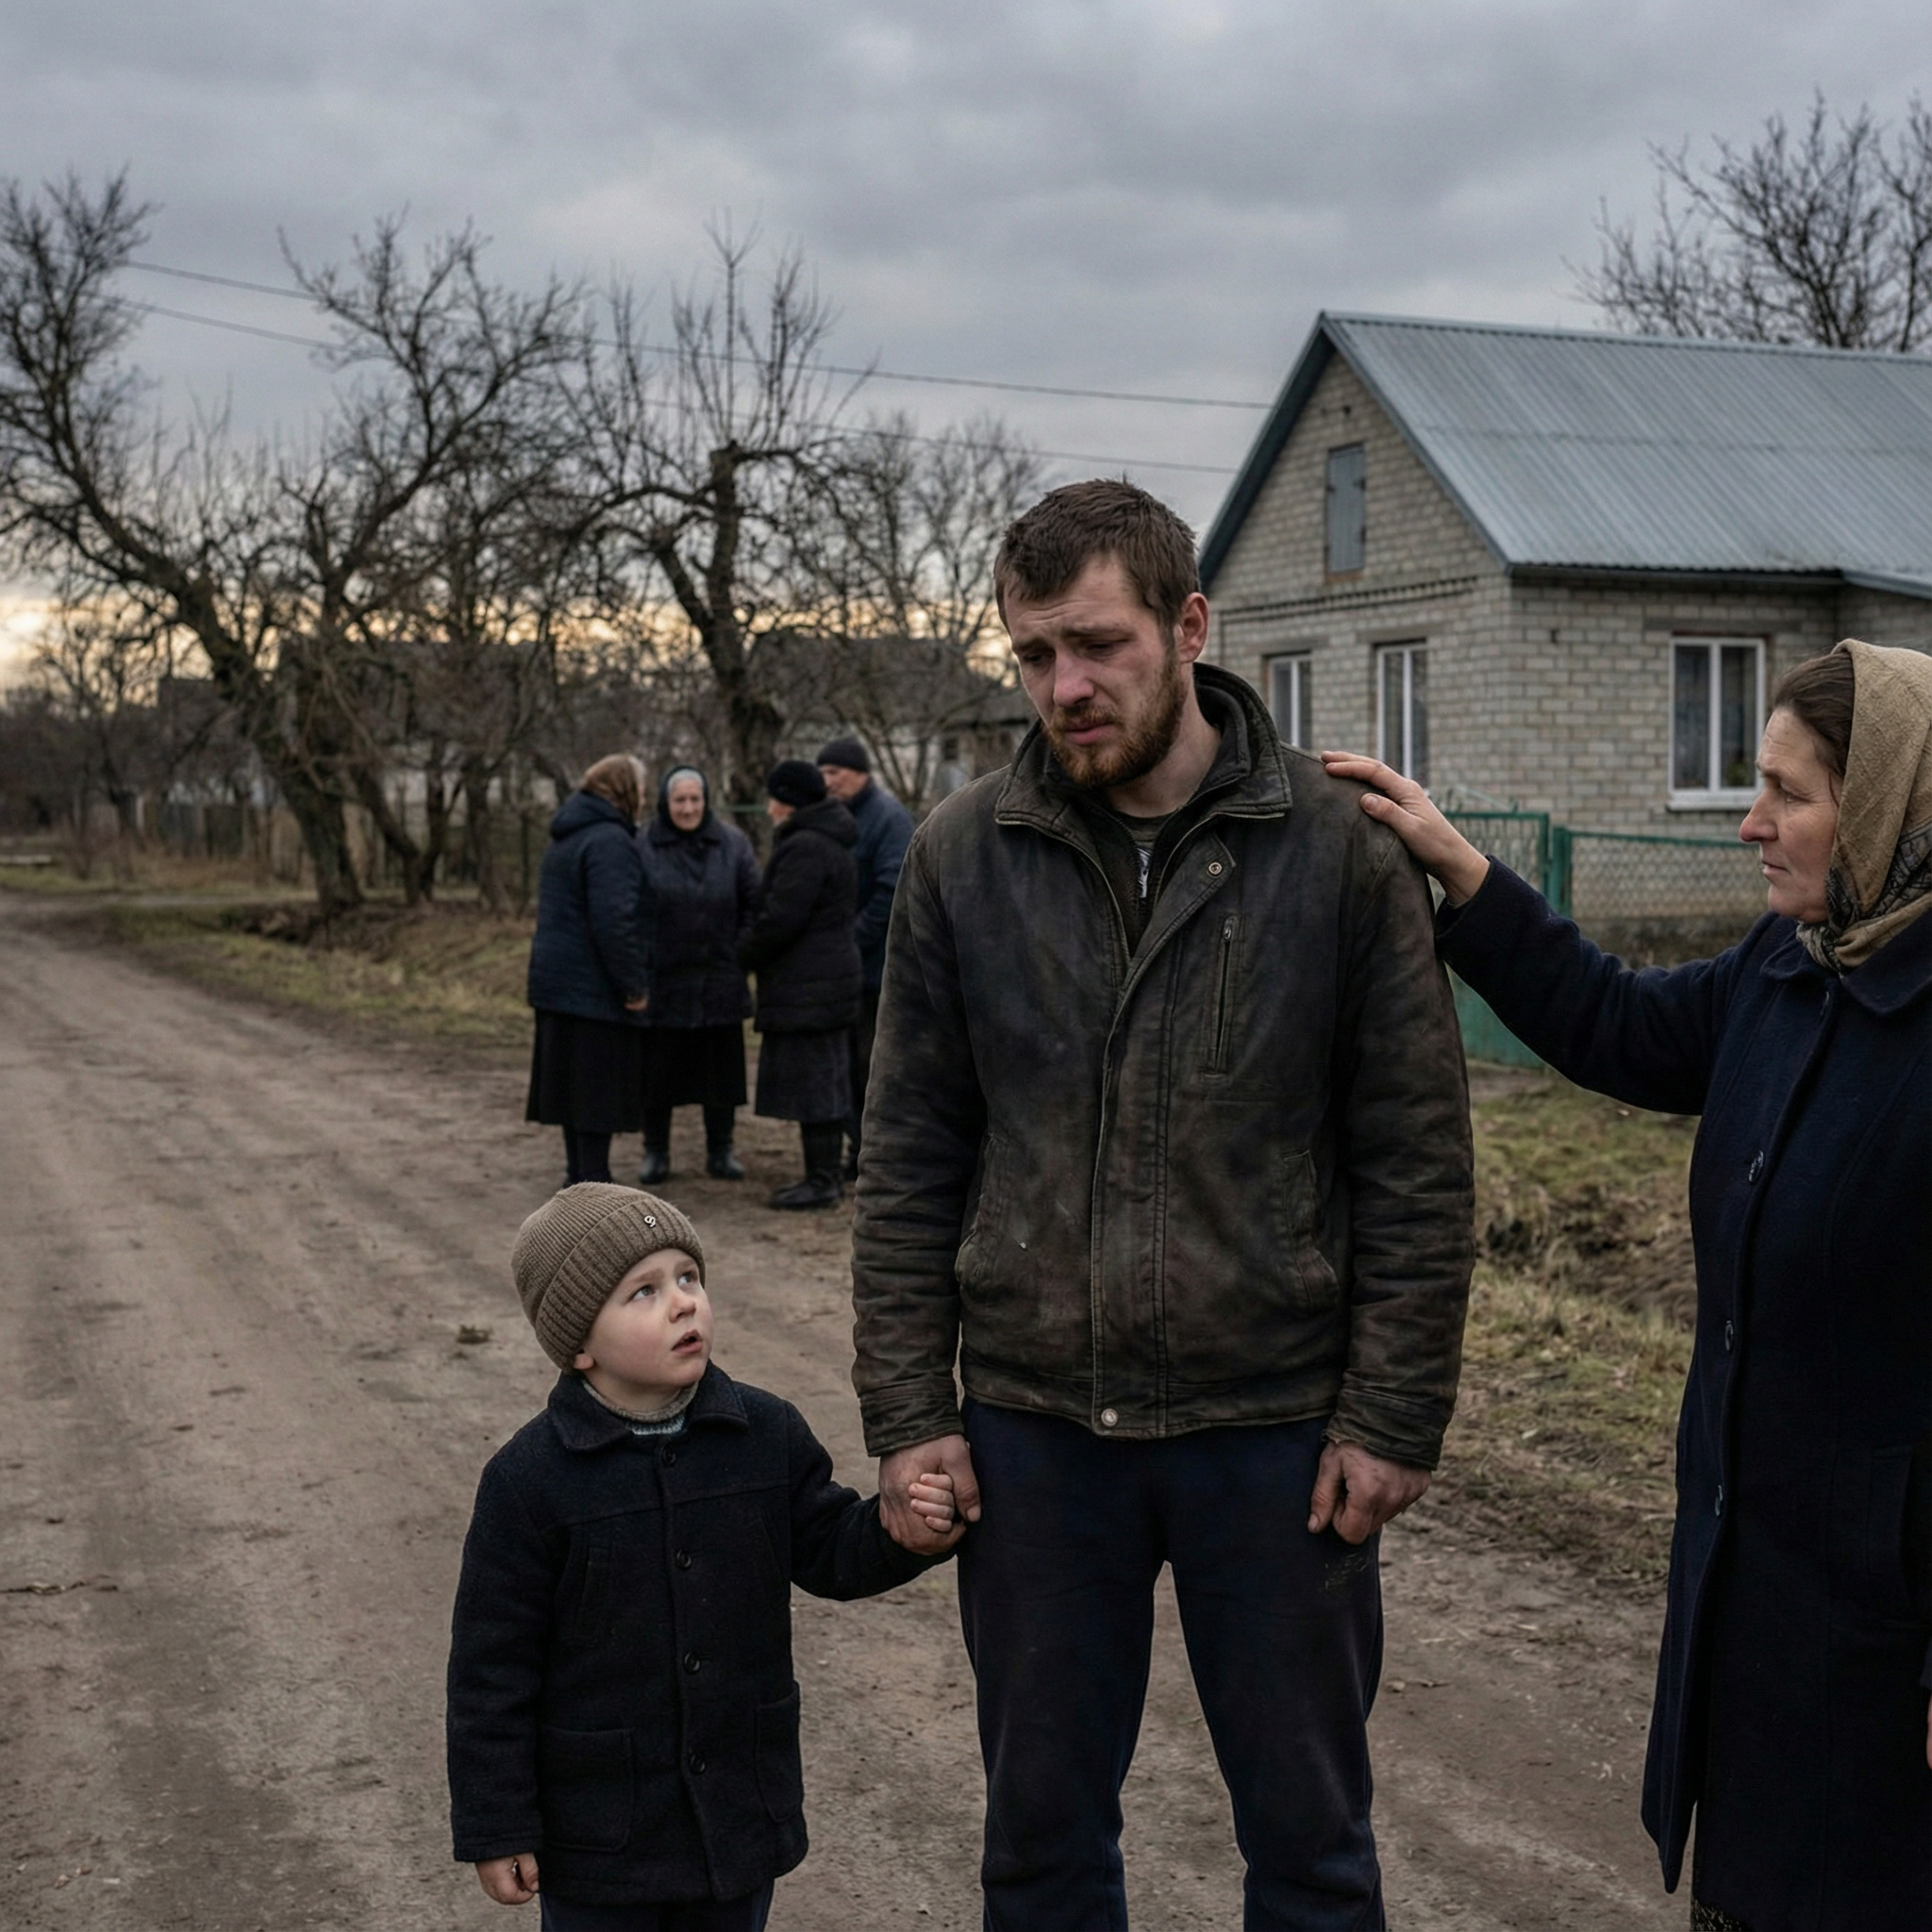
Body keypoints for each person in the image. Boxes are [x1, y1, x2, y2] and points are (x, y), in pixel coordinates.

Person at [851, 479, 1474, 1930]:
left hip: (1273, 1433)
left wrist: (1392, 1415)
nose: (1065, 687)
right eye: (1032, 654)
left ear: (1189, 627)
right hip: (1035, 1433)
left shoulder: (1334, 852)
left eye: (1099, 644)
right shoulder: (961, 858)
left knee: (1313, 1848)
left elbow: (1416, 1160)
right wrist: (908, 1413)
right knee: (1042, 1846)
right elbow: (909, 1163)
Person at [1324, 638, 1932, 1932]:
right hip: (1758, 1595)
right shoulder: (1789, 969)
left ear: (1890, 807)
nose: (1752, 824)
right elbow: (1617, 1022)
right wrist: (1467, 874)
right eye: (1752, 785)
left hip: (1891, 1631)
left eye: (1790, 793)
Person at [447, 1183, 956, 1928]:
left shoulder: (765, 1433)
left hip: (736, 1815)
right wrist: (498, 1825)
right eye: (643, 1292)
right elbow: (491, 1670)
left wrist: (900, 1531)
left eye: (688, 1278)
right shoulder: (529, 1482)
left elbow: (830, 1550)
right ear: (579, 1344)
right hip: (600, 1836)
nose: (683, 1303)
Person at [738, 761, 862, 1211]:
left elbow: (781, 919)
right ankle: (823, 1174)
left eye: (774, 797)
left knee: (818, 1086)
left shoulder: (806, 847)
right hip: (825, 981)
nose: (769, 806)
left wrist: (744, 951)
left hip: (811, 985)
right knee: (824, 1081)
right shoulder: (828, 839)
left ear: (788, 800)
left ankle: (823, 1179)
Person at [525, 756, 653, 1186]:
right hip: (592, 988)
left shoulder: (568, 836)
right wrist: (633, 984)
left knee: (571, 1088)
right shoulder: (610, 841)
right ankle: (594, 1180)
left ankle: (577, 1175)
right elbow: (614, 918)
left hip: (558, 982)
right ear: (623, 791)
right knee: (595, 1089)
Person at [634, 767, 759, 1185]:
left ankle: (721, 1150)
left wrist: (737, 954)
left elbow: (752, 905)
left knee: (720, 1074)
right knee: (656, 1073)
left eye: (695, 800)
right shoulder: (643, 844)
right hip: (663, 978)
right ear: (665, 804)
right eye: (679, 801)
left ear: (706, 801)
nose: (687, 808)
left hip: (719, 977)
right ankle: (656, 1151)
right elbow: (631, 908)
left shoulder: (734, 843)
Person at [815, 739, 912, 1181]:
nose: (828, 781)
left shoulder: (888, 819)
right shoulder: (837, 818)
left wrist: (849, 943)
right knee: (844, 1066)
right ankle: (856, 1150)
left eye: (835, 772)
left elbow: (892, 891)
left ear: (860, 772)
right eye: (823, 773)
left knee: (871, 1068)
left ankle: (873, 1155)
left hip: (877, 971)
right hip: (844, 970)